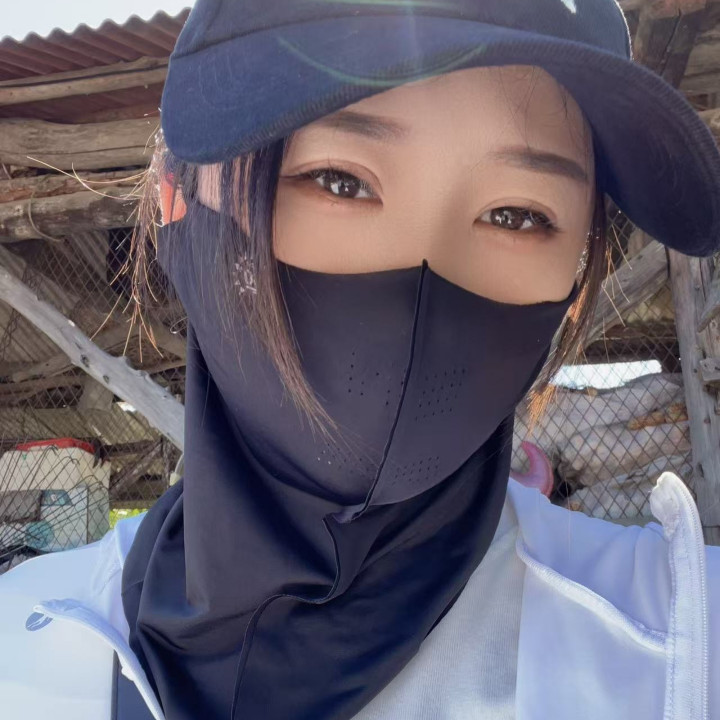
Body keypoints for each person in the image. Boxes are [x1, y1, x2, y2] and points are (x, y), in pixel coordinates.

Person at [1, 1, 719, 719]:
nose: (422, 271)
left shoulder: (680, 647)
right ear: (173, 201)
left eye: (518, 215)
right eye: (338, 180)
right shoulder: (21, 642)